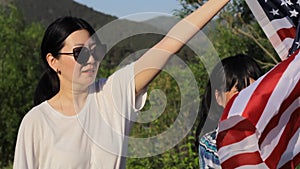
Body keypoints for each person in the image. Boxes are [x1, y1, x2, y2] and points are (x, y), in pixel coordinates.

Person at [13, 0, 230, 168]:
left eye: (96, 50)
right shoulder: (36, 122)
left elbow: (171, 43)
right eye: (80, 52)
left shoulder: (112, 93)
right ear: (53, 61)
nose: (91, 59)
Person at [195, 54, 262, 169]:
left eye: (252, 90)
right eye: (238, 92)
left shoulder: (274, 131)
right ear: (218, 97)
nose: (246, 97)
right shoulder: (211, 146)